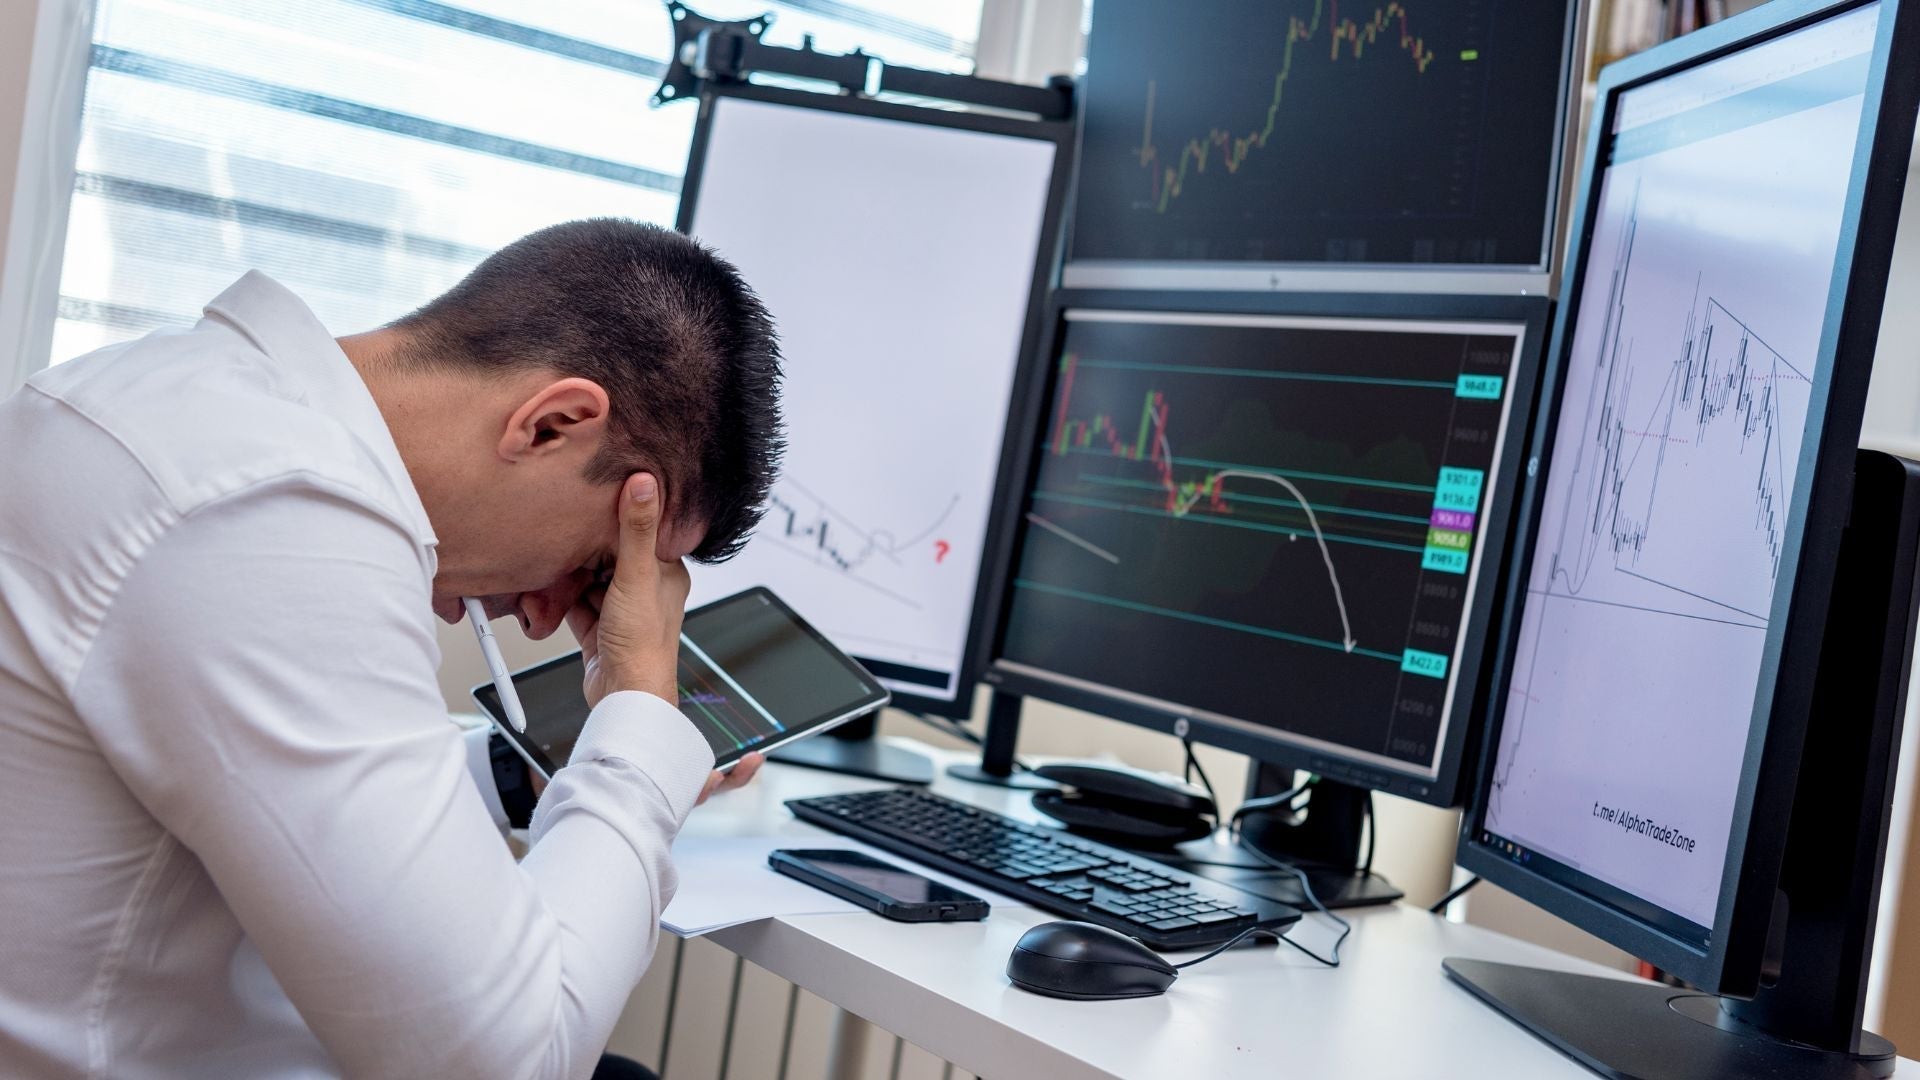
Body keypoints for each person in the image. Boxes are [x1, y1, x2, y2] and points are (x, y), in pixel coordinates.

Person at [0, 219, 782, 1078]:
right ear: (553, 424)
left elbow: (260, 775)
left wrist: (521, 772)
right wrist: (639, 713)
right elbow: (506, 1062)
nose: (543, 614)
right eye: (599, 564)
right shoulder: (271, 516)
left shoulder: (184, 401)